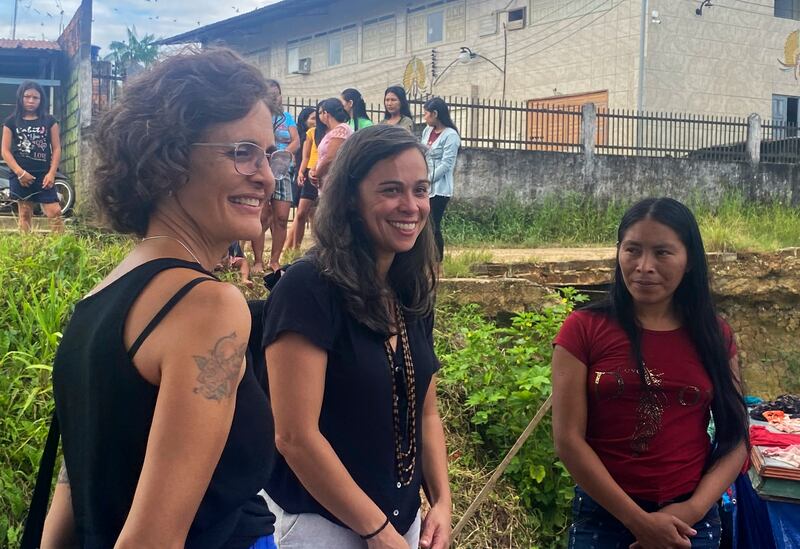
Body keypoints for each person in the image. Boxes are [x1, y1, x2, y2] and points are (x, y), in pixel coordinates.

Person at [39, 49, 283, 549]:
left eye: (268, 154)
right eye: (243, 152)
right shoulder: (208, 307)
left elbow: (78, 493)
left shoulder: (98, 299)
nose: (267, 175)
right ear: (168, 158)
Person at [262, 125, 451, 549]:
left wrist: (441, 502)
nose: (410, 206)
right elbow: (294, 436)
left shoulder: (410, 292)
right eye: (390, 190)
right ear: (350, 197)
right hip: (320, 527)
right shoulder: (307, 289)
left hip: (402, 526)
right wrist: (377, 531)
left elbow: (426, 413)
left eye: (420, 190)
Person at [551, 197, 749, 549]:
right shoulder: (583, 329)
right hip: (605, 518)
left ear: (689, 261)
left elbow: (735, 440)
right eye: (632, 250)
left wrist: (690, 511)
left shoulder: (715, 336)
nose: (644, 266)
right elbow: (568, 439)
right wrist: (638, 522)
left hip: (690, 523)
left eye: (662, 252)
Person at [1, 80, 63, 233]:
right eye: (27, 96)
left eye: (35, 97)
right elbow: (5, 150)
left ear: (41, 100)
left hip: (44, 176)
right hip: (21, 176)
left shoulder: (49, 121)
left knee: (55, 212)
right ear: (20, 98)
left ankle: (62, 249)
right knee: (25, 214)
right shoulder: (11, 122)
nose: (30, 100)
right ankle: (27, 250)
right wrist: (20, 173)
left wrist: (52, 173)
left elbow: (56, 148)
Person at [252, 79, 299, 274]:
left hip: (282, 170)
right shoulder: (256, 116)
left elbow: (296, 140)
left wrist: (283, 154)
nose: (274, 96)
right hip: (262, 168)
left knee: (281, 217)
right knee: (261, 216)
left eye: (277, 92)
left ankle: (275, 260)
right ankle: (257, 261)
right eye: (270, 92)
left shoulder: (287, 117)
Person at [420, 97, 460, 263]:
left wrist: (427, 180)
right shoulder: (426, 131)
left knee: (433, 224)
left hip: (440, 189)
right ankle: (424, 259)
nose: (425, 118)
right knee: (423, 224)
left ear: (435, 114)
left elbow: (447, 164)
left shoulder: (451, 136)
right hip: (424, 186)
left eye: (426, 114)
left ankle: (437, 262)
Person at [288, 104, 320, 250]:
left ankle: (293, 247)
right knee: (301, 214)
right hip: (303, 177)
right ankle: (291, 248)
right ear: (304, 120)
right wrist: (301, 172)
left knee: (312, 214)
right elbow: (304, 158)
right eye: (313, 118)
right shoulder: (305, 137)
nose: (316, 120)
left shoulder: (317, 134)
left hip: (314, 176)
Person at [309, 98, 352, 191]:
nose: (319, 115)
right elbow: (322, 157)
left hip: (335, 183)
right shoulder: (332, 132)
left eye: (320, 112)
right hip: (326, 183)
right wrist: (312, 171)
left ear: (326, 114)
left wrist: (316, 174)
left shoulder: (341, 129)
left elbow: (330, 158)